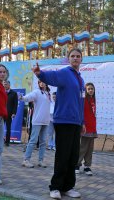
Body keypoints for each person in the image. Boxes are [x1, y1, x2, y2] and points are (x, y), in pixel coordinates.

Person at [33, 48, 84, 199]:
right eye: (72, 56)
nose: (75, 58)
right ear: (68, 59)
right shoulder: (65, 72)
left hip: (76, 122)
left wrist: (83, 122)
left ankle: (68, 187)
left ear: (82, 59)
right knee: (63, 155)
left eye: (78, 56)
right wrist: (39, 73)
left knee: (73, 156)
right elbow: (52, 76)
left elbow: (80, 103)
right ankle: (55, 187)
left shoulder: (80, 78)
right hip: (63, 120)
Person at [20, 80, 51, 168]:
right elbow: (28, 97)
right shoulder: (37, 92)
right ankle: (26, 160)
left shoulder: (48, 93)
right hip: (37, 121)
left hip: (46, 121)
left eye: (43, 81)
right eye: (39, 82)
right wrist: (22, 97)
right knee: (33, 140)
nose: (41, 83)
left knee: (43, 142)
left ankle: (40, 160)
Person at [76, 83, 97, 176]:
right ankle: (76, 165)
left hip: (92, 127)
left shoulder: (93, 99)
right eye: (89, 89)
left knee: (90, 148)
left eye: (92, 89)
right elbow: (81, 113)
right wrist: (82, 124)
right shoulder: (83, 100)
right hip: (85, 127)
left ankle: (87, 166)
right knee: (83, 147)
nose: (91, 90)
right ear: (86, 90)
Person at [3, 80, 18, 146]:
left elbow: (15, 104)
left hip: (9, 114)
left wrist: (14, 113)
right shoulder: (2, 92)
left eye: (6, 84)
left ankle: (7, 142)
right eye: (4, 84)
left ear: (9, 85)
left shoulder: (14, 93)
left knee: (8, 128)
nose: (4, 85)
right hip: (1, 113)